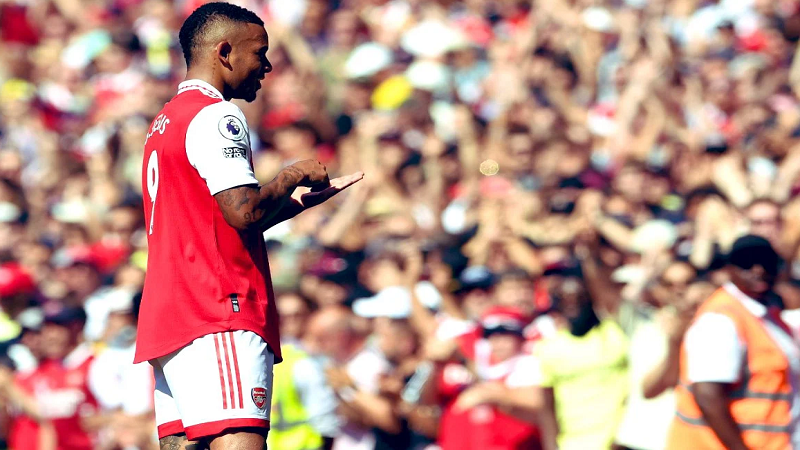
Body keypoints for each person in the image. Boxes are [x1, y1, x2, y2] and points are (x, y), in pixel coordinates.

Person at [133, 3, 363, 450]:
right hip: (218, 307)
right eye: (260, 53)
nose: (267, 66)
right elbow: (243, 212)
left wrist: (290, 204)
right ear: (224, 52)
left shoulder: (164, 122)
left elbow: (215, 220)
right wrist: (292, 174)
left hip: (169, 316)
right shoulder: (216, 115)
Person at [667, 235, 800, 449]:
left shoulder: (766, 314)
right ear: (729, 269)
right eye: (746, 263)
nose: (758, 270)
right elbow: (708, 396)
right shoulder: (721, 320)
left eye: (766, 262)